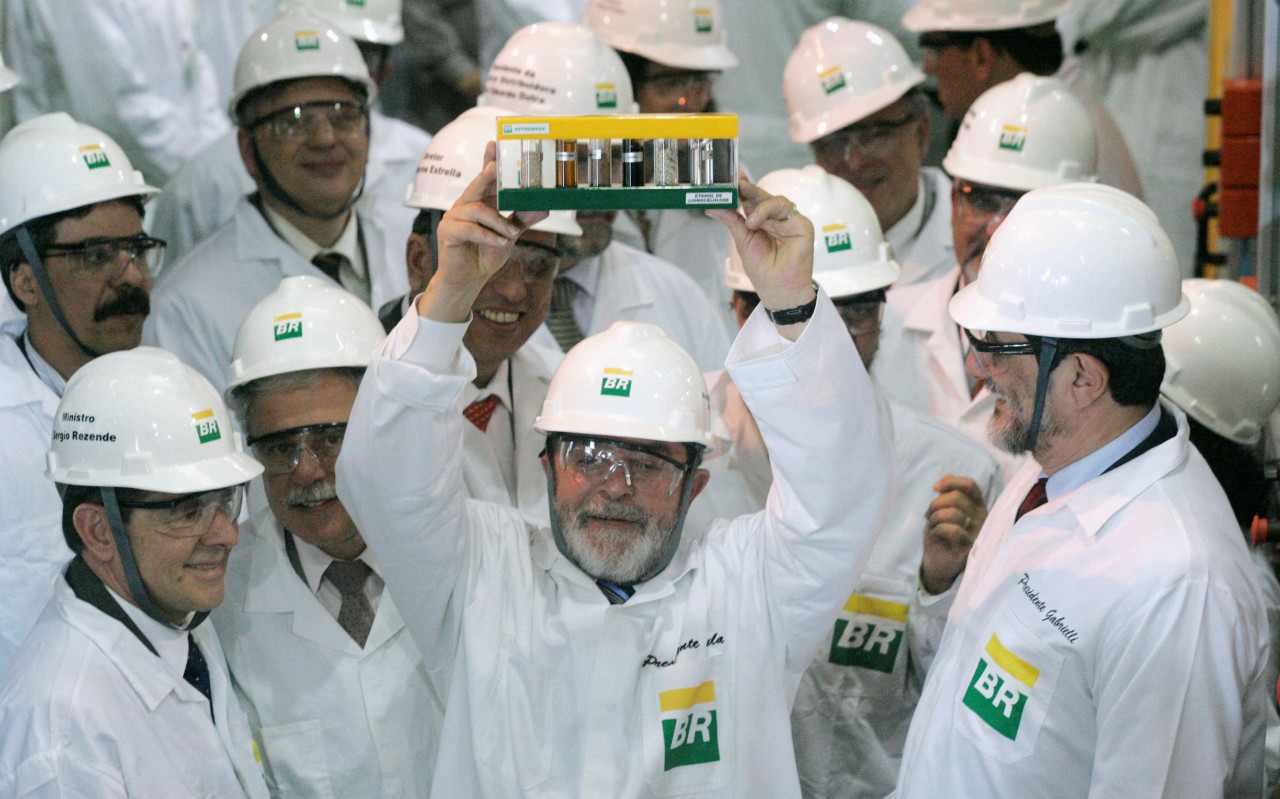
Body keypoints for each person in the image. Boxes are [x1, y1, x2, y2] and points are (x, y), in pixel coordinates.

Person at [334, 150, 895, 795]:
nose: (616, 486)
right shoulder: (480, 575)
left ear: (698, 484)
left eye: (649, 462)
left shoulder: (752, 590)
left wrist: (793, 304)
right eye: (590, 455)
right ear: (546, 466)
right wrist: (450, 295)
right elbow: (381, 484)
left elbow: (843, 494)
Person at [895, 184, 1269, 796]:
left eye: (995, 347)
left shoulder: (1175, 588)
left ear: (1081, 378)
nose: (975, 367)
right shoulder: (1050, 472)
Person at [701, 165, 1001, 798]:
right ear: (738, 306)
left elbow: (974, 705)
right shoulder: (670, 462)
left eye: (854, 312)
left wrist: (942, 589)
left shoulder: (951, 479)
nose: (826, 337)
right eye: (799, 310)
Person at [0, 347, 268, 797]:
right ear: (99, 531)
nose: (227, 534)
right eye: (187, 511)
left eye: (225, 499)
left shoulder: (175, 614)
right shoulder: (62, 732)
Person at [214, 276, 442, 796]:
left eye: (331, 438)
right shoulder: (221, 600)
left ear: (381, 420)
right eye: (277, 448)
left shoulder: (465, 552)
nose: (307, 471)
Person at [144, 4, 409, 394]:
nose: (324, 138)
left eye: (343, 114)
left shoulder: (416, 243)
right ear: (247, 149)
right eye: (294, 119)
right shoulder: (185, 308)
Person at [0, 114, 163, 679]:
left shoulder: (176, 393)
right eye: (96, 256)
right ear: (25, 281)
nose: (131, 278)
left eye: (136, 250)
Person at [874, 74, 1097, 480]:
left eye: (1024, 207)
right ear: (954, 197)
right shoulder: (883, 330)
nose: (997, 228)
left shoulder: (1098, 368)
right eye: (982, 200)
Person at [480, 21, 732, 371]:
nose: (601, 187)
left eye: (617, 157)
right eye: (578, 159)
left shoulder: (679, 298)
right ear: (509, 158)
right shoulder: (450, 300)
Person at [381, 105, 574, 524]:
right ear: (419, 259)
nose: (513, 289)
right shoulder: (358, 388)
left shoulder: (566, 386)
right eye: (488, 255)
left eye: (538, 265)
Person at [146, 0, 432, 267]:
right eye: (296, 120)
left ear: (384, 70)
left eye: (361, 54)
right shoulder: (200, 186)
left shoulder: (426, 158)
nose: (324, 138)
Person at [584, 0, 738, 333]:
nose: (690, 102)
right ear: (617, 77)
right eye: (669, 83)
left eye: (701, 82)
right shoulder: (575, 189)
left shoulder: (727, 180)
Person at [902, 0, 1143, 199]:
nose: (928, 67)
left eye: (935, 52)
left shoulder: (1052, 138)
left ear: (980, 57)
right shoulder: (1056, 112)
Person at [784, 18, 954, 289]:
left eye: (874, 136)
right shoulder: (791, 252)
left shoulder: (980, 245)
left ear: (922, 133)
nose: (855, 162)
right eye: (833, 144)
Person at [6, 0, 230, 186]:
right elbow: (114, 112)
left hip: (184, 171)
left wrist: (219, 153)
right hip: (106, 189)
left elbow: (194, 63)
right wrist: (210, 170)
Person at [1056, 0, 1206, 275]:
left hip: (1169, 163)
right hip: (1115, 139)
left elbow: (1095, 16)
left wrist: (1047, 22)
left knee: (1167, 280)